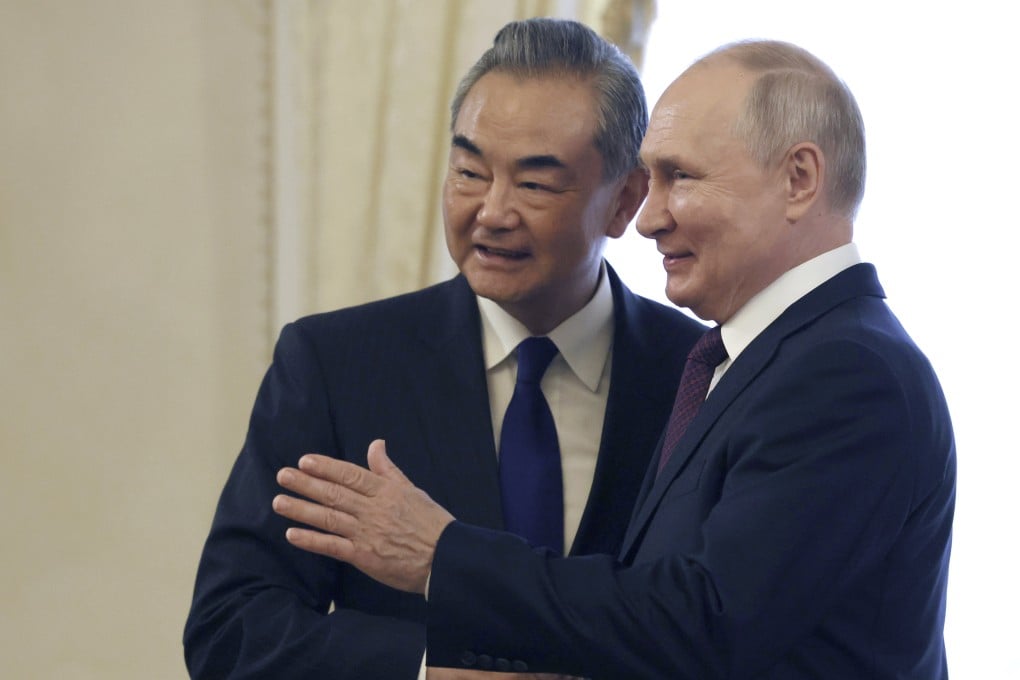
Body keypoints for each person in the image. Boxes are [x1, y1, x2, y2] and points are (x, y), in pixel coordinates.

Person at [272, 39, 957, 679]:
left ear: (800, 179)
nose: (650, 217)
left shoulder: (847, 373)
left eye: (680, 177)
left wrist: (443, 556)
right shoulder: (754, 357)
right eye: (470, 171)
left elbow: (704, 620)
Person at [183, 17, 705, 680]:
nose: (491, 211)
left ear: (624, 200)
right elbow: (232, 628)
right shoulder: (336, 364)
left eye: (535, 184)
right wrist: (429, 674)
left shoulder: (698, 375)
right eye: (468, 171)